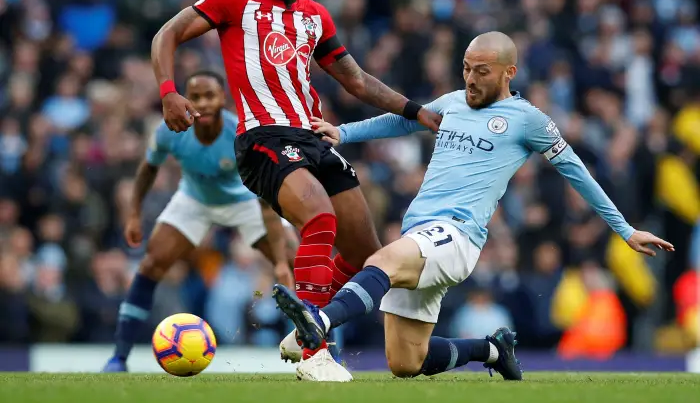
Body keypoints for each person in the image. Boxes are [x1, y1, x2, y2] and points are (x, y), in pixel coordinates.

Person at [273, 31, 675, 382]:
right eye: (466, 68)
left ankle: (318, 322)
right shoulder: (453, 102)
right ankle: (493, 350)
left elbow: (577, 173)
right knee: (406, 362)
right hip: (421, 234)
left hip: (458, 234)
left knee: (382, 260)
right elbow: (403, 120)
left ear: (508, 72)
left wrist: (625, 230)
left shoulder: (527, 119)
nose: (470, 78)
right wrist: (343, 132)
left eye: (482, 70)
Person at [149, 0, 441, 378]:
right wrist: (168, 91)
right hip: (263, 139)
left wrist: (415, 110)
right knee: (319, 217)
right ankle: (314, 352)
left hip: (314, 138)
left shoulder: (314, 14)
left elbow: (357, 81)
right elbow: (167, 34)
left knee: (367, 255)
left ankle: (308, 318)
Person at [103, 71, 294, 372]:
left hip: (245, 200)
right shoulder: (169, 130)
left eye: (210, 96)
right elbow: (148, 169)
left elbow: (265, 200)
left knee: (297, 260)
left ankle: (327, 352)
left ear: (223, 100)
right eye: (195, 97)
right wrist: (135, 214)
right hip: (195, 200)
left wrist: (280, 262)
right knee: (150, 265)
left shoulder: (242, 134)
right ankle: (119, 357)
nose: (202, 103)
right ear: (184, 100)